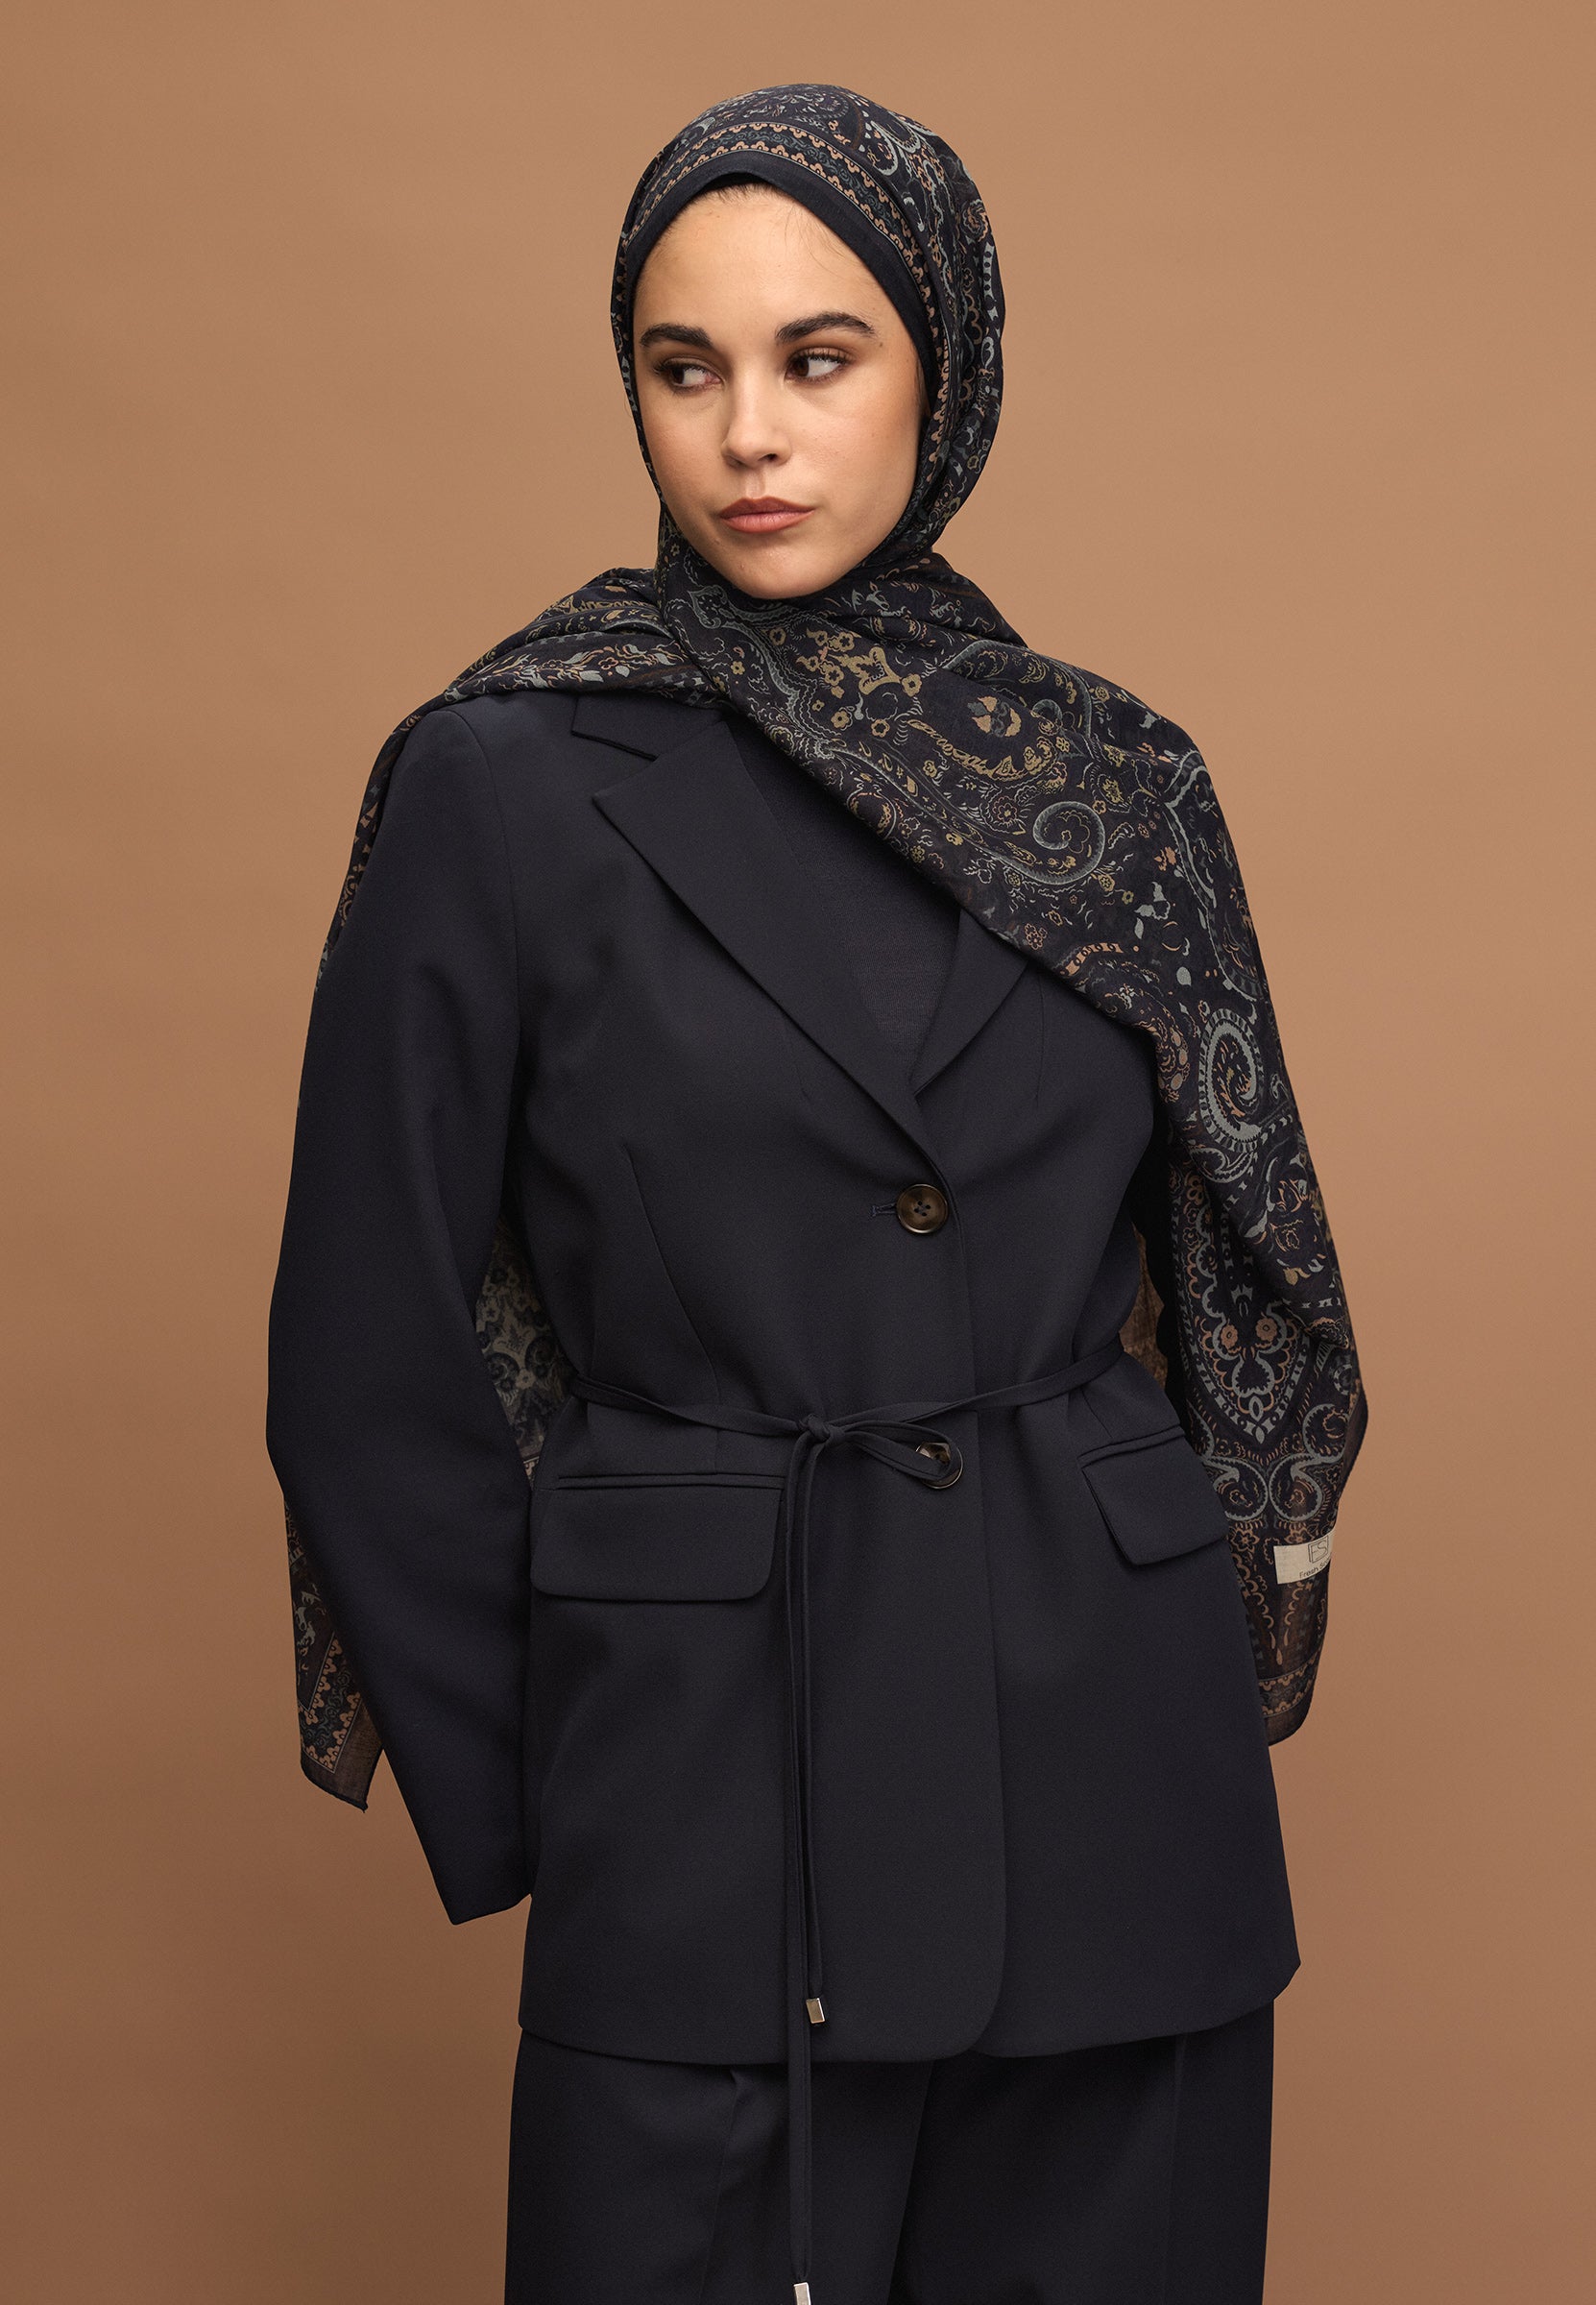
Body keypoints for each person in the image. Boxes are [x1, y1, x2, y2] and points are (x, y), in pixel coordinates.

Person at [267, 83, 1367, 2305]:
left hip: (1111, 1789)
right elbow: (364, 1358)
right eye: (684, 368)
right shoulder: (500, 777)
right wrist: (573, 1789)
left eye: (818, 357)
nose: (748, 434)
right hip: (706, 1800)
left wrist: (1226, 1612)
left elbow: (1242, 1266)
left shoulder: (1116, 780)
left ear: (941, 375)